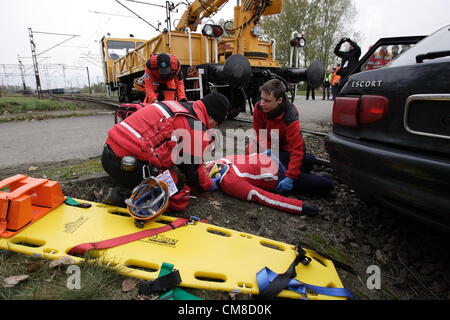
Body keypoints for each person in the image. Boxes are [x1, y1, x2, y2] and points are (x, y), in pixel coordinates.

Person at [101, 92, 230, 194]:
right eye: (217, 124)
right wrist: (208, 184)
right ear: (211, 117)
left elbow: (182, 157)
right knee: (180, 194)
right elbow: (195, 172)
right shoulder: (196, 128)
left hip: (109, 154)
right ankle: (122, 196)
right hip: (127, 167)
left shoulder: (178, 106)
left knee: (173, 175)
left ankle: (130, 187)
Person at [247, 79, 334, 197]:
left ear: (279, 100)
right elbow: (259, 132)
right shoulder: (259, 107)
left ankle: (290, 172)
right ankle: (295, 174)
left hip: (282, 150)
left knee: (309, 160)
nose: (262, 103)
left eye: (267, 100)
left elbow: (297, 150)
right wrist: (267, 151)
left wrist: (290, 177)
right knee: (326, 185)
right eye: (261, 98)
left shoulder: (290, 116)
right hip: (268, 152)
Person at [205, 153, 319, 216]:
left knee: (311, 159)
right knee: (327, 185)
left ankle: (304, 171)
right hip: (281, 176)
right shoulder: (231, 183)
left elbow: (244, 157)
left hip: (272, 158)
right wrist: (300, 207)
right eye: (201, 168)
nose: (204, 165)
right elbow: (264, 197)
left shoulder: (217, 163)